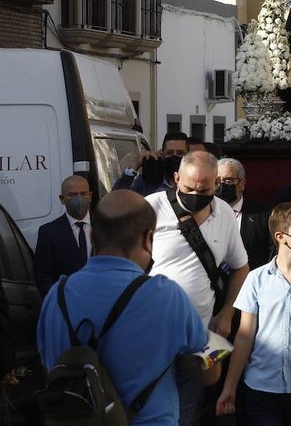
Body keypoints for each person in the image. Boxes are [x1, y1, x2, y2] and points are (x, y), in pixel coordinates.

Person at [37, 190, 212, 426]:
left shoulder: (55, 297)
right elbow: (209, 373)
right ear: (148, 238)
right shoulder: (167, 296)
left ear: (92, 235)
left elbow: (48, 364)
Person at [147, 152, 250, 426]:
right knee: (153, 410)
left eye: (203, 190)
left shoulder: (224, 212)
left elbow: (241, 267)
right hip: (154, 334)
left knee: (187, 412)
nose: (195, 194)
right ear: (176, 179)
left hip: (199, 336)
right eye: (188, 188)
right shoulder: (152, 207)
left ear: (216, 184)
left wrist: (227, 313)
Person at [216, 202, 291, 426]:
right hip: (261, 387)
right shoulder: (256, 279)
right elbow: (245, 336)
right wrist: (230, 387)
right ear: (281, 236)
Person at [33, 175, 92, 295]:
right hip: (66, 304)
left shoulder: (105, 227)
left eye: (83, 194)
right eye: (72, 195)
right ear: (62, 199)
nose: (79, 199)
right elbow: (43, 276)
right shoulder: (49, 232)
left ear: (90, 196)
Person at [217, 158, 272, 271]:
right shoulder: (203, 214)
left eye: (228, 181)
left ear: (241, 184)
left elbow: (271, 254)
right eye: (217, 181)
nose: (222, 185)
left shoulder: (264, 215)